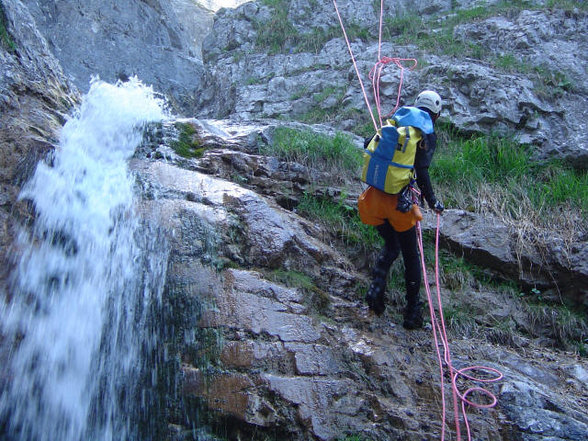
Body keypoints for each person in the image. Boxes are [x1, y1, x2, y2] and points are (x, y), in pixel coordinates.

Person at [358, 90, 444, 329]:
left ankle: (376, 290)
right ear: (436, 115)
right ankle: (412, 313)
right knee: (411, 254)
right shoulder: (424, 133)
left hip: (372, 199)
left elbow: (368, 143)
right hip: (398, 203)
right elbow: (422, 171)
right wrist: (433, 201)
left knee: (391, 244)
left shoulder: (395, 120)